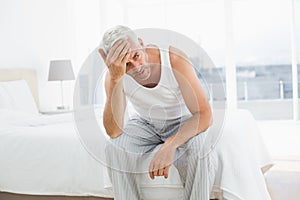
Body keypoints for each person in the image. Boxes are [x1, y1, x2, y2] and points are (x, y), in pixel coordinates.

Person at [98, 25, 217, 200]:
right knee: (114, 147)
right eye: (126, 65)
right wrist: (116, 78)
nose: (136, 67)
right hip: (146, 123)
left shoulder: (173, 58)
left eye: (136, 56)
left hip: (183, 120)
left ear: (140, 43)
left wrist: (169, 146)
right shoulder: (115, 76)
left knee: (199, 149)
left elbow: (204, 114)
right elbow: (113, 131)